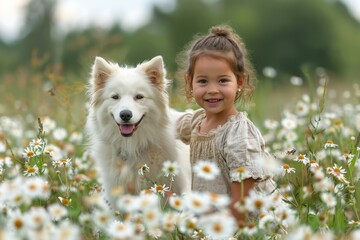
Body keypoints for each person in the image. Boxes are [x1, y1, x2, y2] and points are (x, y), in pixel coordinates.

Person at [176, 25, 275, 221]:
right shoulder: (197, 120)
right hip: (213, 223)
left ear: (239, 82)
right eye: (203, 81)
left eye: (222, 81)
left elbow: (242, 204)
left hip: (250, 226)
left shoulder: (238, 134)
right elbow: (167, 125)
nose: (212, 89)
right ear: (190, 82)